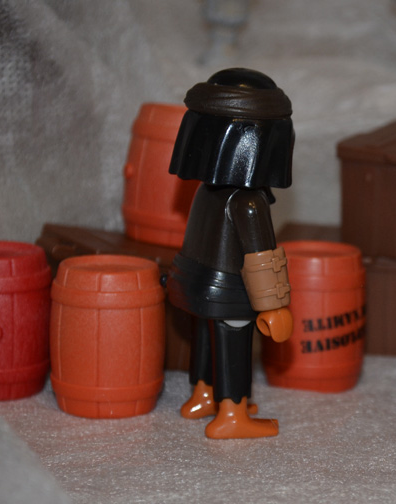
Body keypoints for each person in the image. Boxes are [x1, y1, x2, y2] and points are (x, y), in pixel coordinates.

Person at [167, 68, 294, 439]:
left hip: (197, 284)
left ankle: (203, 394)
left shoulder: (207, 191)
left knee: (207, 339)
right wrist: (274, 307)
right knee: (234, 345)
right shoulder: (249, 202)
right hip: (231, 292)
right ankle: (232, 414)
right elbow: (261, 258)